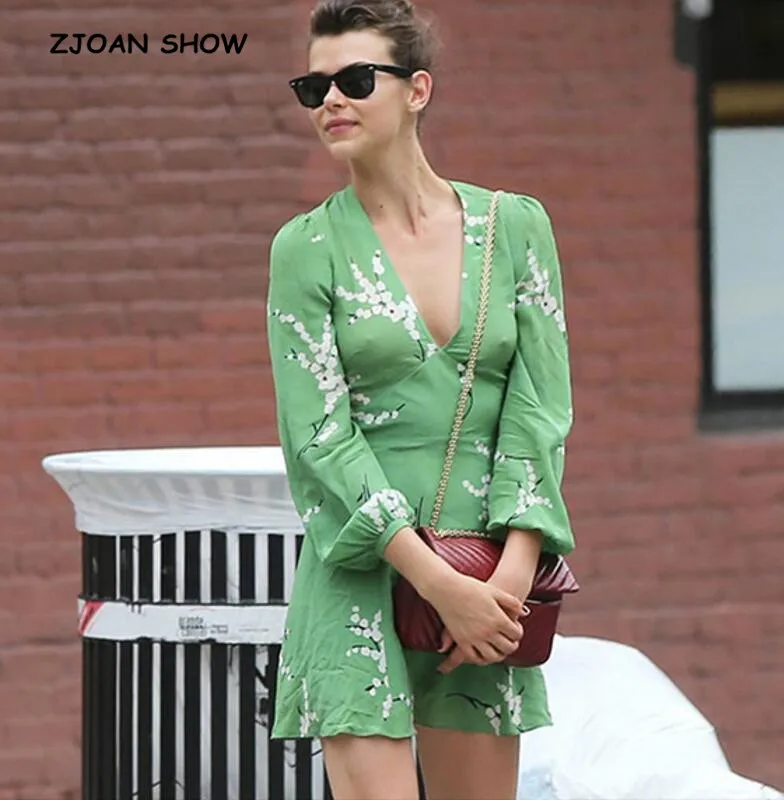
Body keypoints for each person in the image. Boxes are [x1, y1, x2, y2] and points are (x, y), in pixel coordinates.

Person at [266, 1, 575, 797]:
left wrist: (508, 581)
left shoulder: (515, 227)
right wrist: (436, 583)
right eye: (314, 87)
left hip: (488, 570)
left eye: (355, 79)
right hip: (361, 575)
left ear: (417, 89)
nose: (331, 100)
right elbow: (318, 437)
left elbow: (540, 410)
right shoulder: (305, 249)